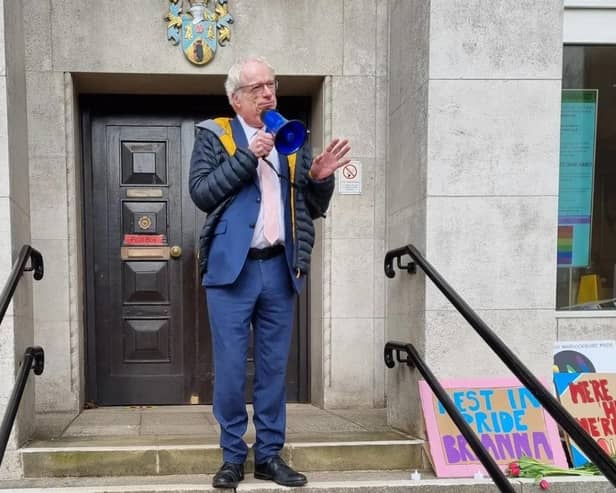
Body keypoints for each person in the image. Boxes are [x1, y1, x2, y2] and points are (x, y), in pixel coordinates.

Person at [189, 56, 351, 489]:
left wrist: (319, 179)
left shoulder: (292, 137)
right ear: (236, 97)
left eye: (271, 85)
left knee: (274, 368)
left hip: (279, 269)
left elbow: (311, 210)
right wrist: (248, 154)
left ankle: (269, 457)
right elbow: (202, 194)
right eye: (257, 87)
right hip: (231, 274)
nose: (268, 93)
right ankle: (231, 457)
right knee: (229, 369)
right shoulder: (214, 134)